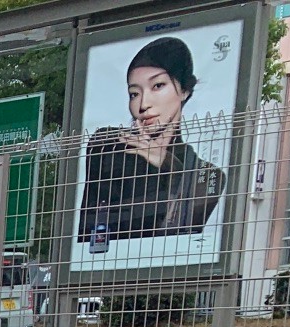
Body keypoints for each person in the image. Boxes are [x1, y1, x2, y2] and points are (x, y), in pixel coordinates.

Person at [77, 36, 225, 244]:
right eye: (134, 94)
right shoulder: (109, 145)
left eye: (157, 86)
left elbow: (176, 238)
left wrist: (168, 165)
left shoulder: (207, 174)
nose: (143, 104)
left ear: (184, 90)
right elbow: (89, 228)